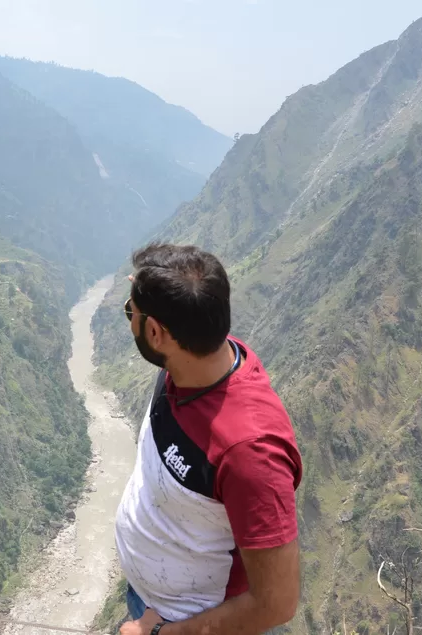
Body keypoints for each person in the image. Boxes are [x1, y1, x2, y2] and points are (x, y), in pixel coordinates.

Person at [115, 243, 303, 635]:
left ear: (156, 333)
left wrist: (162, 633)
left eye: (130, 312)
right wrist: (149, 289)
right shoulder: (192, 359)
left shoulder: (249, 452)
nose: (129, 317)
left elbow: (276, 602)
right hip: (150, 602)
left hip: (187, 625)